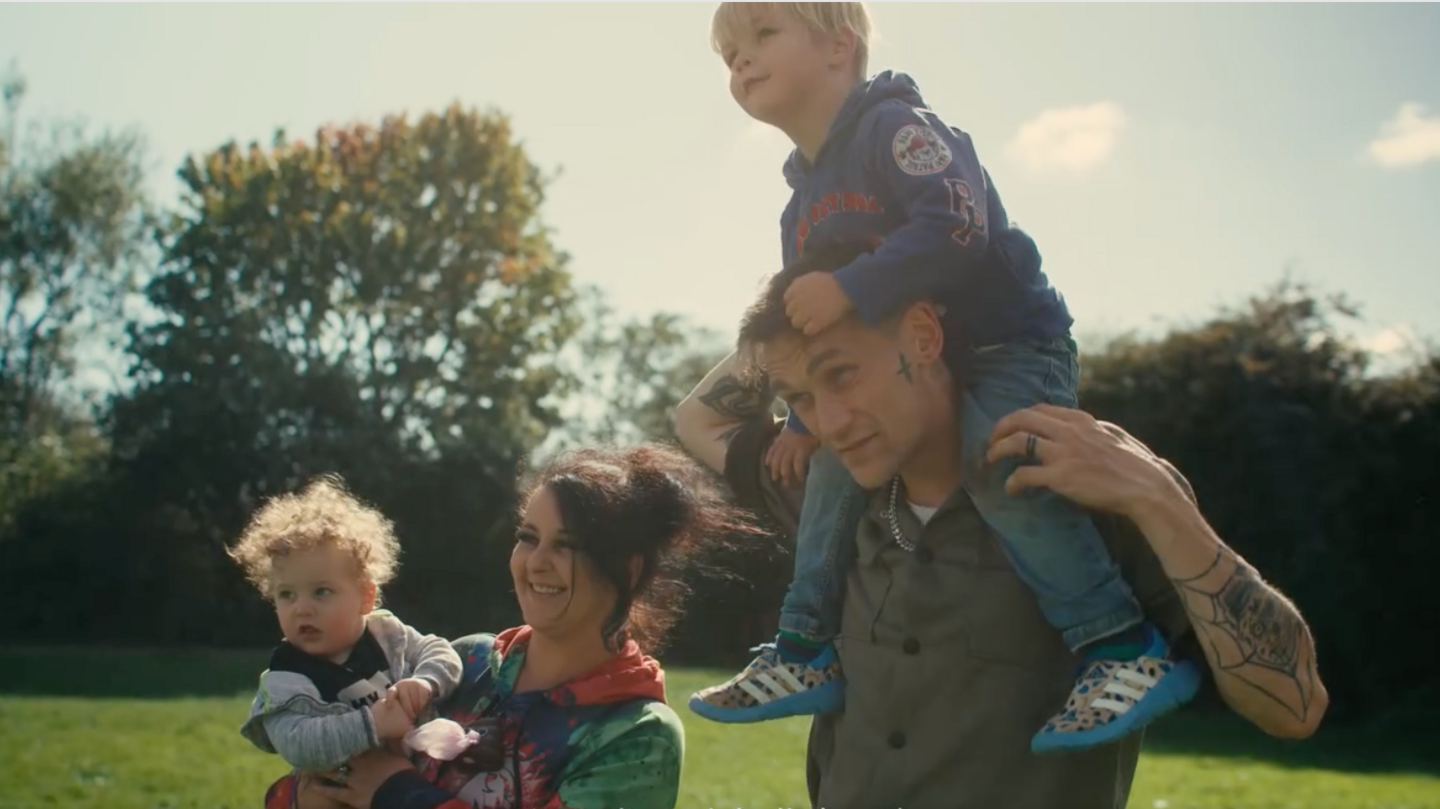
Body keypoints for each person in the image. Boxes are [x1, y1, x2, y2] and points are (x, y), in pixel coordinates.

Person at [692, 0, 1194, 753]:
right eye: (730, 53)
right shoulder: (801, 206)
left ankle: (1121, 647)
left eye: (763, 35)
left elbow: (959, 223)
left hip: (1008, 345)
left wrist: (856, 285)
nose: (743, 60)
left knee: (997, 465)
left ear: (839, 45)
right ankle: (803, 649)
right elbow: (812, 333)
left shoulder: (897, 129)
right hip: (917, 370)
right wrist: (802, 420)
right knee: (831, 463)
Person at [672, 244, 1328, 808]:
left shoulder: (1098, 490)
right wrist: (817, 278)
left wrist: (1160, 500)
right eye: (802, 400)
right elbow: (697, 419)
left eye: (842, 373)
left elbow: (1293, 707)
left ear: (924, 335)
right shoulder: (828, 495)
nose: (831, 422)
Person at [261, 444, 765, 809]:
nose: (536, 563)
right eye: (528, 537)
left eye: (565, 545)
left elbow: (384, 781)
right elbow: (319, 772)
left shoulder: (634, 736)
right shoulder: (465, 664)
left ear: (627, 570)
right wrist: (304, 796)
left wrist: (396, 793)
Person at [230, 476, 464, 774]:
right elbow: (298, 744)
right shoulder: (285, 678)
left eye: (321, 591)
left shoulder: (388, 635)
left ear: (365, 597)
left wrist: (425, 682)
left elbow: (442, 652)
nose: (302, 608)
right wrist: (373, 724)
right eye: (287, 594)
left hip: (422, 785)